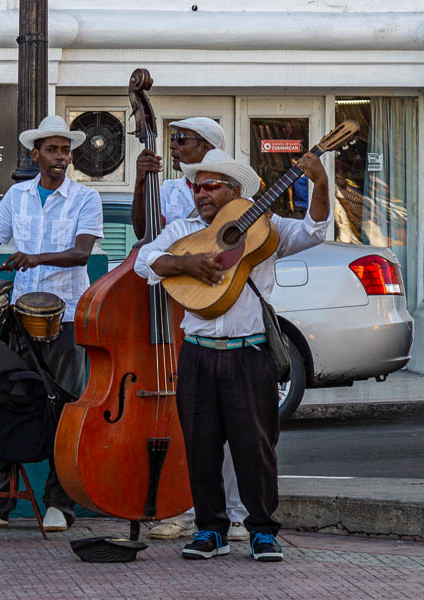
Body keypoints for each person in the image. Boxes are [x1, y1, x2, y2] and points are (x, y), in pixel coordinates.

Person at [133, 148, 330, 562]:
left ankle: (261, 531)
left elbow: (314, 231)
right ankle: (211, 530)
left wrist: (321, 182)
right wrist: (184, 262)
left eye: (211, 186)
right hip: (198, 354)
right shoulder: (185, 231)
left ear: (235, 191)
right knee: (201, 448)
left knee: (255, 446)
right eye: (197, 186)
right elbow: (145, 262)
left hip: (250, 353)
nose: (201, 193)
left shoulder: (268, 228)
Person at [0, 115, 104, 533]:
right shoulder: (17, 196)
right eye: (52, 150)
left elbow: (80, 254)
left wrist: (33, 259)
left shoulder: (85, 199)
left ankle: (60, 505)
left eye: (65, 150)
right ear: (34, 154)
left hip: (67, 317)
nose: (61, 158)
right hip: (19, 316)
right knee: (11, 404)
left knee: (65, 408)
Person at [131, 117, 249, 542]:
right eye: (173, 139)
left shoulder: (234, 203)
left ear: (208, 146)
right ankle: (185, 507)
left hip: (219, 307)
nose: (175, 146)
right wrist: (141, 182)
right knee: (196, 427)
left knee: (235, 426)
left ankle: (236, 512)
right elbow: (145, 237)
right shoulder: (167, 190)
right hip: (176, 306)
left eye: (183, 140)